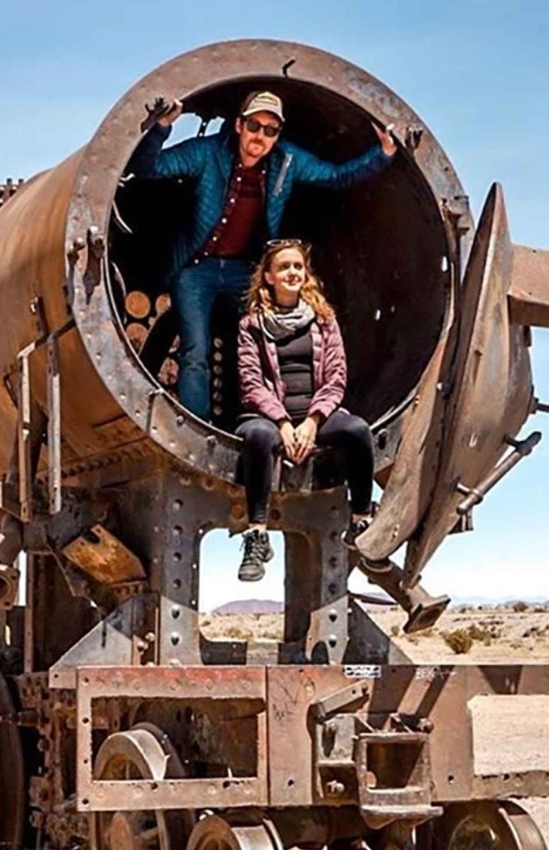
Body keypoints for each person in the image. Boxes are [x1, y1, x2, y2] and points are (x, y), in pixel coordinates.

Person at [127, 90, 398, 421]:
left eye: (271, 130)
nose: (261, 136)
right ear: (239, 125)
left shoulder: (287, 162)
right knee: (194, 351)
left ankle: (259, 423)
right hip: (198, 269)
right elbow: (147, 167)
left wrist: (382, 154)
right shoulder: (208, 152)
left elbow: (336, 176)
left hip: (246, 271)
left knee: (259, 349)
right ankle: (197, 425)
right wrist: (161, 128)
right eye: (255, 125)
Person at [234, 239, 374, 582]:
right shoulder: (251, 326)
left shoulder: (324, 321)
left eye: (298, 266)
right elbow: (251, 382)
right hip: (269, 417)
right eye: (284, 267)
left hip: (316, 416)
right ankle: (257, 534)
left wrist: (312, 421)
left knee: (357, 431)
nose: (293, 272)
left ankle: (360, 521)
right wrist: (282, 421)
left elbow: (336, 378)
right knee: (256, 437)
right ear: (268, 277)